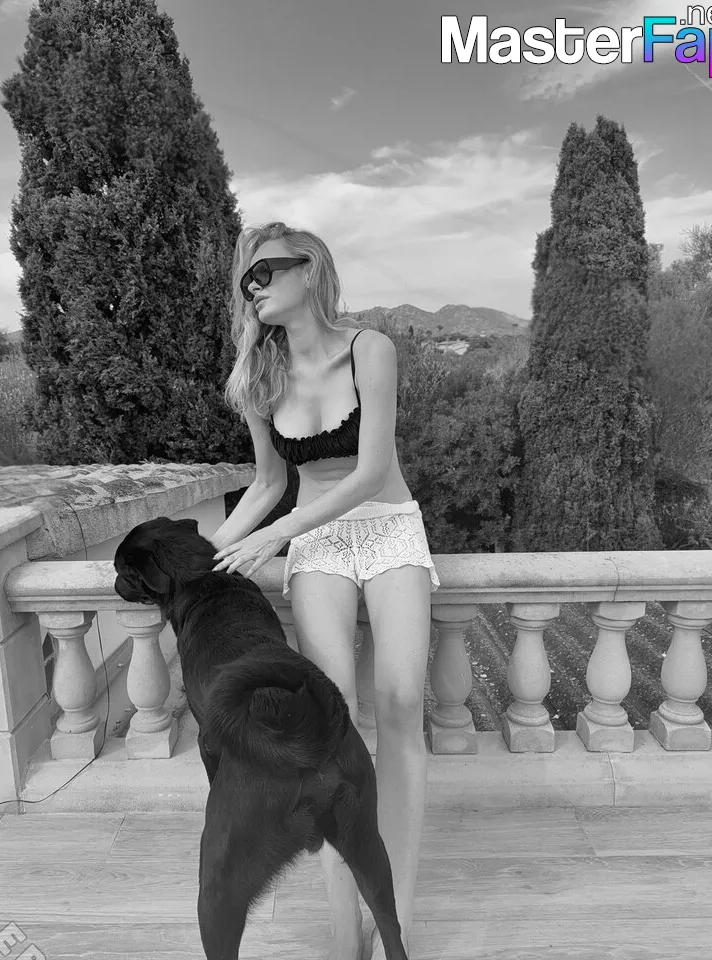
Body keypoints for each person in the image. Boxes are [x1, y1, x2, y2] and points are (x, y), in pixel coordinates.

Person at [210, 221, 439, 960]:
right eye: (246, 279)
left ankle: (396, 916)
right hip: (319, 544)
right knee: (329, 731)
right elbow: (266, 483)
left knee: (400, 702)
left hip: (388, 528)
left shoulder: (370, 349)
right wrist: (205, 560)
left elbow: (370, 473)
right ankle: (345, 935)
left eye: (267, 271)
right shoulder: (258, 378)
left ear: (309, 270)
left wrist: (278, 533)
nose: (255, 287)